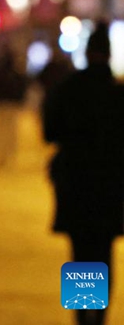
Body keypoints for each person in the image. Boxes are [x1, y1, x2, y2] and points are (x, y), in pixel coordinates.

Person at [42, 22, 124, 325]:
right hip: (110, 184)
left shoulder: (68, 88)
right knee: (103, 251)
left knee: (81, 251)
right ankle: (98, 318)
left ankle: (83, 315)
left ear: (87, 53)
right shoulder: (118, 93)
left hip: (74, 181)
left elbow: (50, 133)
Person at [0, 45, 29, 169]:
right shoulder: (17, 72)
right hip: (12, 104)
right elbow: (23, 86)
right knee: (11, 132)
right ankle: (8, 158)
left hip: (0, 104)